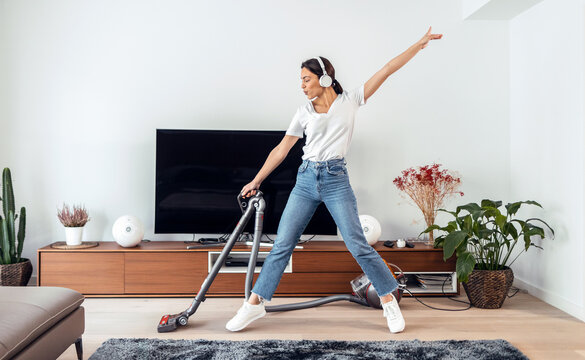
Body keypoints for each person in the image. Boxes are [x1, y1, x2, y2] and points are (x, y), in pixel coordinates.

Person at [226, 27, 442, 334]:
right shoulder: (302, 112)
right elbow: (282, 149)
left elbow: (388, 69)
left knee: (357, 244)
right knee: (282, 245)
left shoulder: (351, 100)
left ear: (324, 78)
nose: (301, 86)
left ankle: (389, 301)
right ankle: (254, 306)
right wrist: (256, 180)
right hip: (305, 180)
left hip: (335, 179)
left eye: (306, 79)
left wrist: (419, 45)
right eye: (300, 80)